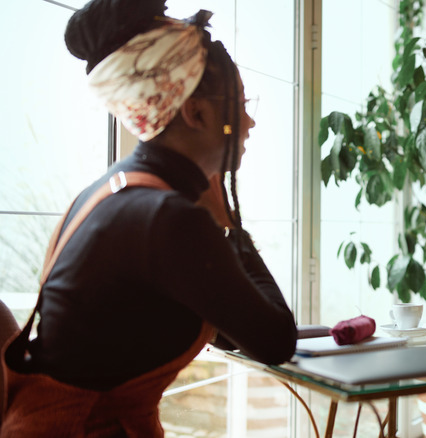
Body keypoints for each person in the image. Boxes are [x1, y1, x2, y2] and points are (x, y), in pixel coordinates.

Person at [0, 0, 297, 436]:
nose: (250, 121)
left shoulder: (109, 192)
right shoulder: (169, 218)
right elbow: (275, 341)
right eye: (240, 103)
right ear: (196, 113)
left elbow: (231, 330)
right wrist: (228, 222)